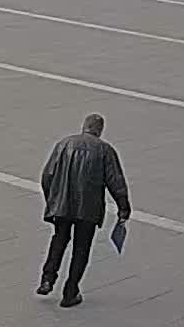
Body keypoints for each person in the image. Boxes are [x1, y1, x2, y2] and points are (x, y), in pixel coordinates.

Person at [37, 113, 131, 309]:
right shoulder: (105, 150)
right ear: (100, 130)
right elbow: (116, 182)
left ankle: (47, 279)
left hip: (62, 205)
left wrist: (52, 202)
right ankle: (70, 292)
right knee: (81, 249)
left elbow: (47, 175)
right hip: (88, 209)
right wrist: (123, 207)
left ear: (84, 126)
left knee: (59, 240)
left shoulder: (64, 144)